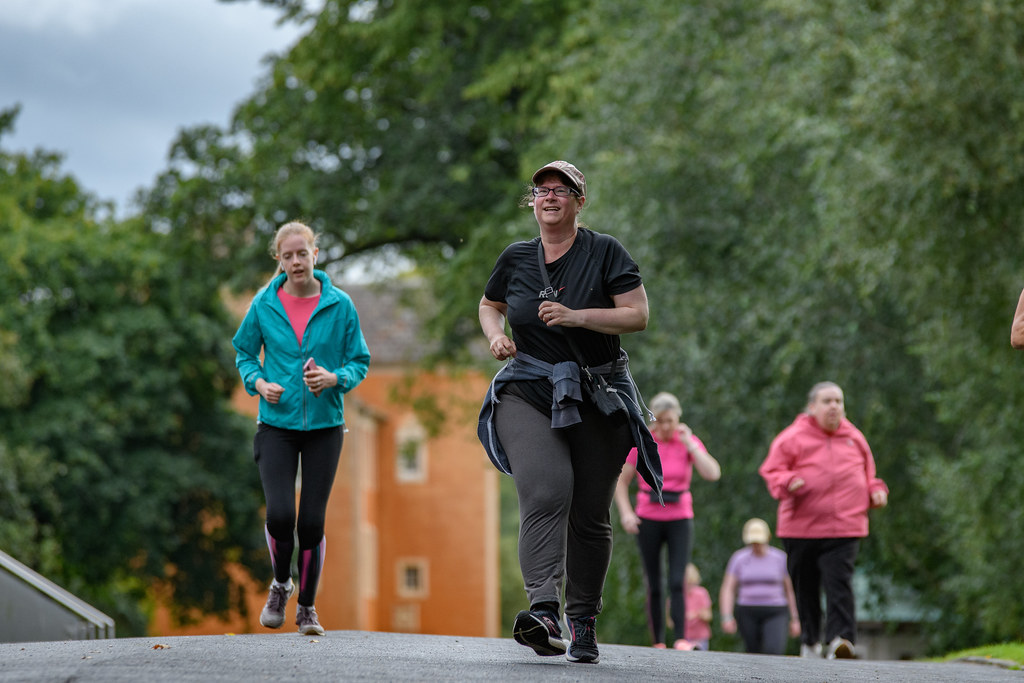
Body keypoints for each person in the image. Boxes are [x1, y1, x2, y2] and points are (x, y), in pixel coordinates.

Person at [477, 160, 662, 665]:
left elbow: (638, 315)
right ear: (532, 202)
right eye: (542, 190)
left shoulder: (605, 251)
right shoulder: (516, 257)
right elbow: (490, 304)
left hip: (597, 394)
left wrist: (577, 317)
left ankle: (582, 620)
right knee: (546, 489)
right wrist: (495, 335)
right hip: (528, 389)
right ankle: (543, 611)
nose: (550, 197)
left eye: (562, 190)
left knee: (589, 514)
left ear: (580, 201)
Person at [233, 221, 371, 636]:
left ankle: (307, 608)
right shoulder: (263, 304)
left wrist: (334, 378)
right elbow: (244, 353)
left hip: (325, 426)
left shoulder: (340, 304)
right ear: (279, 260)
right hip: (276, 424)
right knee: (280, 514)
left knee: (310, 522)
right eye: (287, 255)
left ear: (315, 254)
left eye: (302, 253)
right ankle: (281, 584)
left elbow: (359, 361)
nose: (296, 261)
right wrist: (259, 384)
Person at [758, 382, 889, 659]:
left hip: (845, 525)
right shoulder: (792, 437)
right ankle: (810, 641)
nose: (834, 407)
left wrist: (876, 490)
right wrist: (788, 481)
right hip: (800, 528)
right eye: (827, 401)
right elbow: (771, 470)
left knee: (839, 583)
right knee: (805, 587)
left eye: (838, 401)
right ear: (812, 407)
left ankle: (841, 640)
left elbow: (870, 475)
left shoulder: (854, 438)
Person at [613, 391, 721, 650]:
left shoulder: (687, 441)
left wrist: (690, 444)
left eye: (670, 421)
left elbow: (713, 473)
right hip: (648, 515)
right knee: (654, 582)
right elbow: (621, 481)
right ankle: (659, 641)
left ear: (678, 419)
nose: (665, 426)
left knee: (677, 579)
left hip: (679, 517)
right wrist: (626, 513)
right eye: (660, 421)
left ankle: (681, 638)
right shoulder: (643, 441)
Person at [718, 518, 800, 655]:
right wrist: (726, 616)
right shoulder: (739, 559)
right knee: (752, 652)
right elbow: (728, 588)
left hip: (775, 610)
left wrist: (795, 618)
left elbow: (790, 590)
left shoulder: (780, 558)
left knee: (773, 650)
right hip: (747, 610)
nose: (756, 545)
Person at [683, 563, 713, 651]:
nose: (688, 587)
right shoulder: (677, 597)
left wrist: (696, 614)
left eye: (691, 584)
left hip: (700, 638)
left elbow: (708, 616)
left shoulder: (701, 593)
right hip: (684, 638)